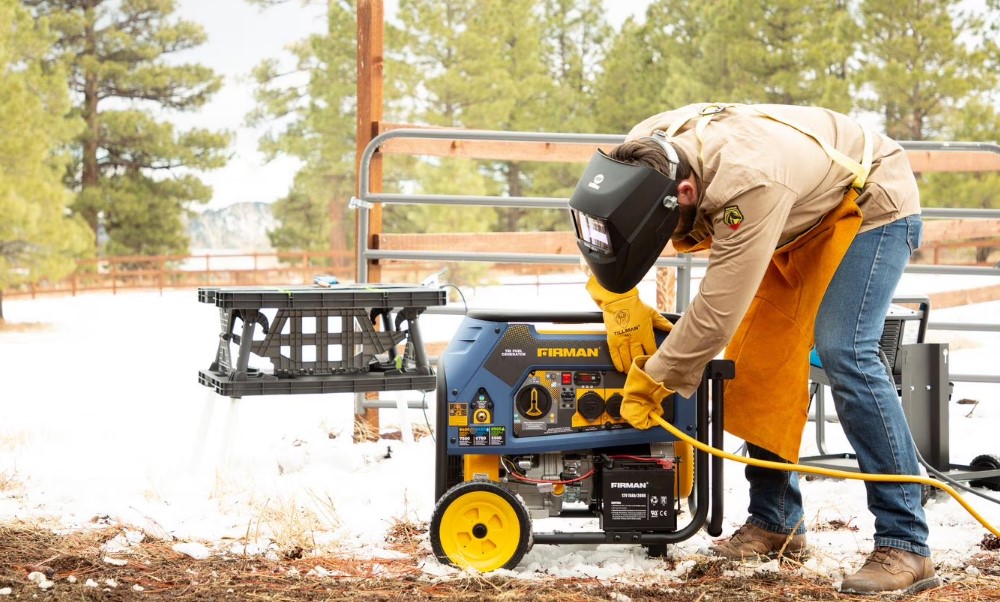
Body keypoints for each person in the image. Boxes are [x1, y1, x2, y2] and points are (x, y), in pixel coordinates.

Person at [567, 103, 937, 595]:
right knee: (760, 353)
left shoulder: (748, 185)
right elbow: (605, 229)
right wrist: (616, 298)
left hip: (869, 202)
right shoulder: (641, 152)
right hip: (798, 208)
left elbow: (717, 312)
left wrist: (657, 379)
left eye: (674, 228)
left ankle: (905, 543)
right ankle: (776, 520)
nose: (675, 241)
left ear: (684, 192)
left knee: (845, 349)